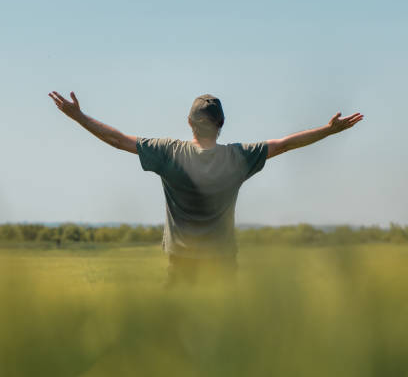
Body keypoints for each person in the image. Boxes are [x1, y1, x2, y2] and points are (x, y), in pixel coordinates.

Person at [48, 91, 363, 284]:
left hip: (180, 266)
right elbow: (283, 145)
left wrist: (79, 117)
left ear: (189, 123)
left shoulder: (169, 152)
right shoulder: (237, 157)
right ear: (221, 124)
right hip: (222, 266)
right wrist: (328, 130)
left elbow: (117, 140)